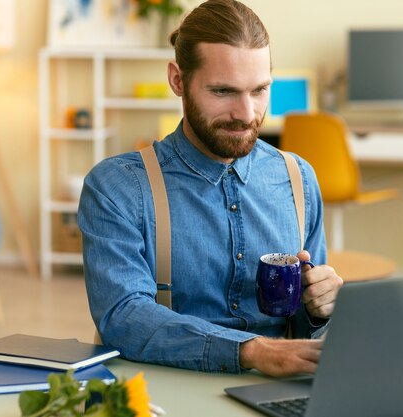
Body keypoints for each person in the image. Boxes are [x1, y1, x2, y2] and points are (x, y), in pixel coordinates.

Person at [77, 0, 343, 377]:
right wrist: (252, 351)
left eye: (259, 90)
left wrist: (320, 310)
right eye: (223, 91)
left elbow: (300, 332)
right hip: (166, 393)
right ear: (177, 80)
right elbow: (123, 317)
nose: (247, 113)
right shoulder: (117, 188)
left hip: (273, 389)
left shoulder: (298, 178)